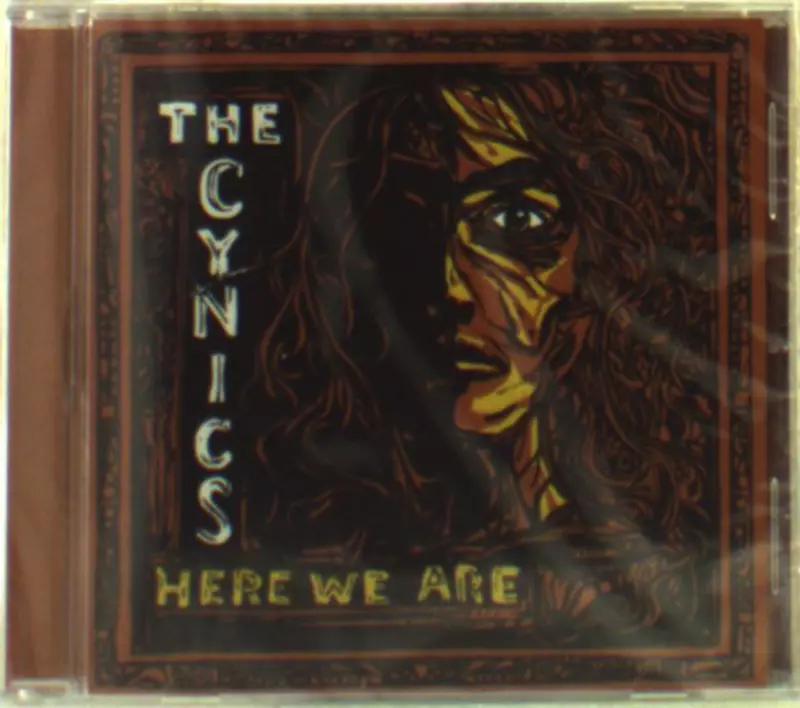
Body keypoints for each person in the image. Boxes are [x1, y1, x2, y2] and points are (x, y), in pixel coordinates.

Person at [249, 66, 715, 565]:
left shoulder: (670, 539)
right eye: (406, 226)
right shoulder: (326, 533)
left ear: (604, 250)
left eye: (515, 219)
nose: (452, 287)